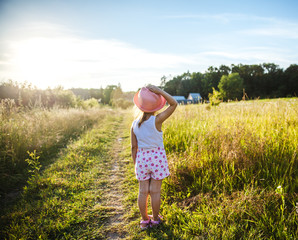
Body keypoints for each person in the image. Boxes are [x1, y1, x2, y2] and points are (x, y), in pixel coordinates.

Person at [131, 85, 177, 230]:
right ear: (156, 105)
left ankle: (145, 221)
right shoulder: (157, 120)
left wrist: (135, 164)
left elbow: (133, 147)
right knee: (155, 191)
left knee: (142, 191)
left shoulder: (134, 124)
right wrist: (160, 91)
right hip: (157, 159)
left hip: (142, 160)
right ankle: (155, 220)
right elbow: (174, 103)